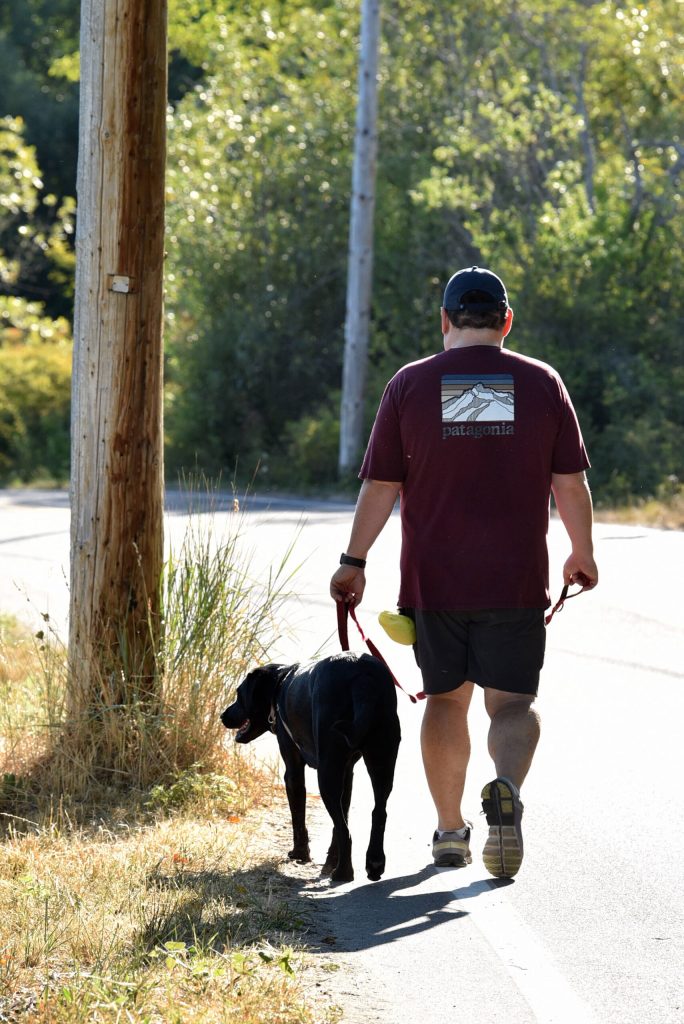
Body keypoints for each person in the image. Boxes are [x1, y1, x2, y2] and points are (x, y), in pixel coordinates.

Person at [329, 266, 598, 878]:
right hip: (517, 580)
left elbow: (381, 486)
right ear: (506, 321)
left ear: (445, 320)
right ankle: (505, 789)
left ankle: (450, 833)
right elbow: (571, 483)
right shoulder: (542, 383)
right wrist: (581, 552)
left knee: (446, 703)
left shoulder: (409, 386)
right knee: (512, 704)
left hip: (435, 581)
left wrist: (353, 561)